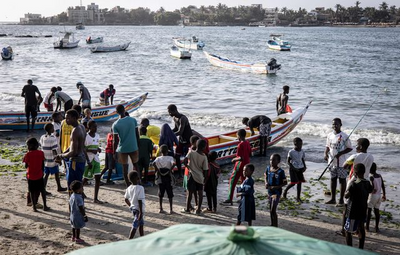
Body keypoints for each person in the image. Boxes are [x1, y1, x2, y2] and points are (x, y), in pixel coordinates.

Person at [55, 109, 87, 194]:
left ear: (74, 118)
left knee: (72, 185)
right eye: (65, 118)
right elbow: (77, 146)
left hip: (75, 161)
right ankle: (80, 203)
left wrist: (61, 156)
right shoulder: (82, 127)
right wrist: (63, 153)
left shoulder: (75, 131)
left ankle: (72, 205)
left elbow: (73, 152)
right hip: (82, 159)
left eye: (68, 118)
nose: (66, 120)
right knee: (79, 183)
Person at [324, 118, 352, 206]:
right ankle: (333, 199)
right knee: (333, 179)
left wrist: (341, 153)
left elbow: (349, 148)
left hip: (342, 163)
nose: (334, 126)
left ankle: (341, 200)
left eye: (336, 124)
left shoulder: (344, 136)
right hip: (332, 162)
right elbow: (327, 146)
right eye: (333, 124)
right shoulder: (330, 135)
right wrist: (325, 154)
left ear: (340, 125)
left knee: (342, 180)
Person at [344, 164, 373, 249]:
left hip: (353, 211)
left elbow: (346, 196)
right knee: (361, 228)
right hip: (363, 210)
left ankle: (350, 248)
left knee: (348, 230)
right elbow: (371, 190)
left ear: (355, 173)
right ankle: (361, 248)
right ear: (364, 172)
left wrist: (347, 189)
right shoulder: (367, 183)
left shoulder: (354, 184)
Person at [112, 105, 140, 187]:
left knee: (125, 168)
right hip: (133, 147)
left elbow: (115, 141)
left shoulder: (115, 124)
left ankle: (128, 185)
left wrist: (114, 152)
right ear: (125, 110)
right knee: (136, 165)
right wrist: (138, 146)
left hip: (122, 148)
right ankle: (138, 183)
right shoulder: (133, 120)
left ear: (116, 112)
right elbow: (137, 135)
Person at [223, 129, 252, 205]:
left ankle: (230, 198)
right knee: (243, 181)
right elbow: (250, 154)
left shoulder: (240, 145)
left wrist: (234, 159)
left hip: (240, 165)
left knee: (232, 181)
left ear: (239, 136)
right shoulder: (247, 143)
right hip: (247, 164)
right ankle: (243, 198)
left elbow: (241, 158)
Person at [182, 139, 208, 215]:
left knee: (190, 193)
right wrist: (205, 179)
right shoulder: (204, 157)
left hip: (192, 175)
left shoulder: (191, 153)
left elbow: (185, 160)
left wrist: (188, 166)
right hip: (200, 177)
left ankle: (187, 209)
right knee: (200, 194)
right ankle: (198, 209)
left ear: (196, 145)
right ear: (204, 147)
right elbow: (205, 170)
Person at [23, 137, 49, 212]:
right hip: (39, 175)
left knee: (31, 191)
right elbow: (42, 164)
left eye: (28, 145)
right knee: (42, 190)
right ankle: (45, 206)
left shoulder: (27, 154)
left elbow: (26, 166)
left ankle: (34, 206)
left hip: (30, 176)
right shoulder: (41, 153)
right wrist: (42, 171)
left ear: (30, 146)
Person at [39, 123, 67, 193]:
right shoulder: (53, 138)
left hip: (46, 159)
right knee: (56, 173)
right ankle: (59, 187)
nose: (53, 129)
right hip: (52, 159)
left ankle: (43, 188)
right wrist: (57, 159)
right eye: (52, 128)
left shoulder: (42, 137)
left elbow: (41, 146)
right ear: (50, 129)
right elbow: (54, 150)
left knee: (46, 174)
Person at [168, 104, 193, 177]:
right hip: (181, 140)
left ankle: (189, 172)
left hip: (188, 140)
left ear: (175, 110)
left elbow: (180, 131)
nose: (169, 114)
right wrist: (169, 132)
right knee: (177, 156)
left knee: (188, 157)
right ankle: (180, 173)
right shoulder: (174, 118)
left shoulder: (183, 118)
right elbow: (176, 129)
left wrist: (171, 135)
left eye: (170, 112)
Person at [82, 120, 103, 204]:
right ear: (89, 128)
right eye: (94, 127)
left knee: (98, 177)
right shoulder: (86, 137)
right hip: (89, 160)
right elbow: (83, 149)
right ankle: (80, 189)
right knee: (86, 178)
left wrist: (98, 149)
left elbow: (96, 146)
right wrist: (91, 151)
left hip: (96, 159)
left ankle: (95, 198)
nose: (96, 128)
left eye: (96, 126)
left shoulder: (97, 136)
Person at [265, 153, 287, 227]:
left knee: (273, 209)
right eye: (271, 160)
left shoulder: (280, 172)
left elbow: (285, 182)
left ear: (278, 161)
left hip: (276, 193)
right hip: (270, 192)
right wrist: (266, 183)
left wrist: (277, 187)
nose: (271, 162)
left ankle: (276, 225)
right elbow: (265, 176)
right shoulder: (268, 169)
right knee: (270, 209)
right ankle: (272, 224)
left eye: (274, 160)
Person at [283, 137, 306, 202]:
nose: (300, 146)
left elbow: (302, 159)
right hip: (293, 169)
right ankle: (285, 191)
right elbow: (288, 161)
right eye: (299, 144)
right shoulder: (291, 152)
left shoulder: (302, 151)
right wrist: (294, 168)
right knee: (293, 183)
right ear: (295, 144)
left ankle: (298, 197)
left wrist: (304, 167)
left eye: (301, 144)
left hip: (300, 168)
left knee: (300, 183)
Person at [153, 145, 176, 214]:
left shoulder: (158, 158)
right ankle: (171, 209)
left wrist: (158, 170)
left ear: (160, 151)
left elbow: (153, 163)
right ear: (167, 151)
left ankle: (161, 208)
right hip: (168, 176)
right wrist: (170, 170)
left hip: (160, 176)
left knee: (161, 192)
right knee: (170, 192)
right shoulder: (170, 158)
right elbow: (174, 163)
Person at [124, 171, 145, 239]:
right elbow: (140, 200)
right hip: (139, 210)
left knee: (141, 224)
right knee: (135, 225)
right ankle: (130, 239)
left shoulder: (129, 188)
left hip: (133, 208)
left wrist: (131, 205)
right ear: (137, 178)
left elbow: (126, 199)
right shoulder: (140, 188)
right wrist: (141, 212)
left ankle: (142, 238)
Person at [366, 163, 386, 233]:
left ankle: (367, 227)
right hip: (379, 196)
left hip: (373, 196)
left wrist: (370, 190)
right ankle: (376, 227)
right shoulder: (379, 176)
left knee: (369, 211)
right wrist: (384, 194)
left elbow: (372, 186)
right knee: (377, 211)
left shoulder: (371, 177)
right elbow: (383, 185)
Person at [183, 135, 200, 210]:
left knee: (194, 189)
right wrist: (188, 166)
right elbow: (185, 160)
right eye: (197, 142)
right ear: (193, 142)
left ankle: (196, 203)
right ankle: (190, 204)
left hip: (191, 171)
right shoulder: (192, 150)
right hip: (189, 172)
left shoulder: (193, 149)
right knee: (189, 190)